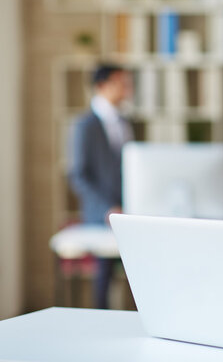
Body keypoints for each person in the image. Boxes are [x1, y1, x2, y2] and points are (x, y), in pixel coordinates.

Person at [69, 63, 134, 309]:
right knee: (104, 275)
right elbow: (78, 175)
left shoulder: (126, 122)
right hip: (100, 215)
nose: (126, 89)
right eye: (120, 83)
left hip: (128, 211)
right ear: (101, 86)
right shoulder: (85, 125)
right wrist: (107, 207)